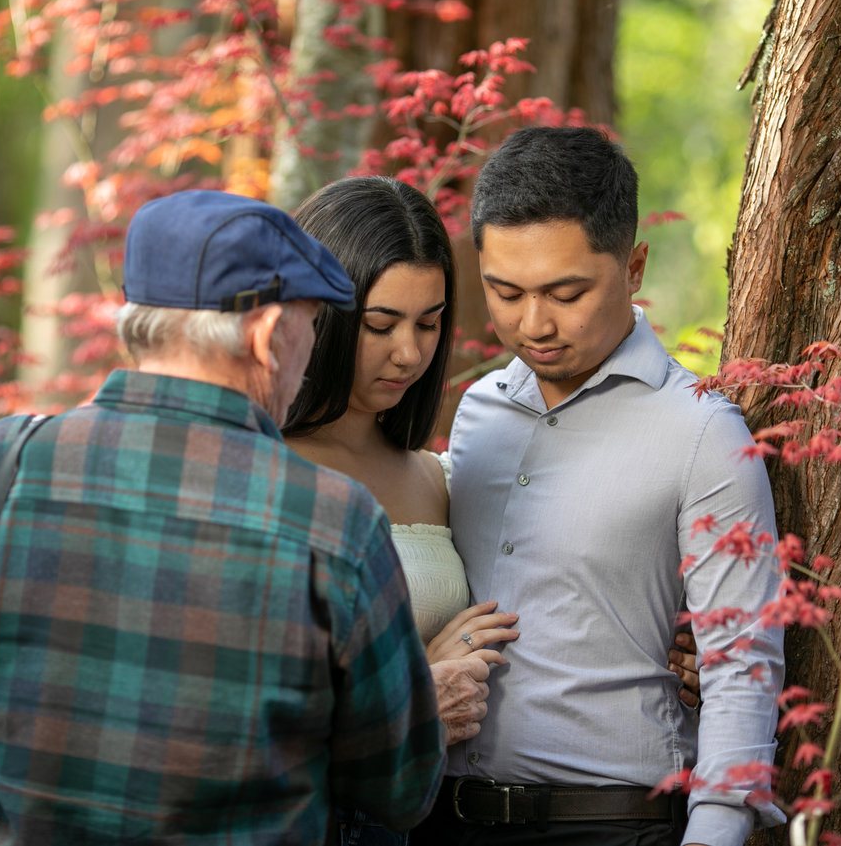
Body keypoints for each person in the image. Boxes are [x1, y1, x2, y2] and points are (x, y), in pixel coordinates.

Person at [0, 190, 446, 844]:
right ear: (268, 337)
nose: (312, 353)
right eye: (314, 326)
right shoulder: (334, 522)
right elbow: (402, 786)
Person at [283, 176, 702, 846]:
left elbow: (563, 568)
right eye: (381, 324)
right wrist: (416, 682)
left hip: (433, 819)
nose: (411, 353)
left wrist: (678, 638)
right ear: (321, 314)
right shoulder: (264, 466)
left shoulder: (440, 477)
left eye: (430, 322)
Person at [411, 127, 787, 846]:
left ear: (634, 265)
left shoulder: (701, 432)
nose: (534, 323)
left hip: (613, 824)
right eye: (505, 291)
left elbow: (743, 664)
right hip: (443, 818)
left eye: (567, 291)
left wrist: (714, 834)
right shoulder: (480, 413)